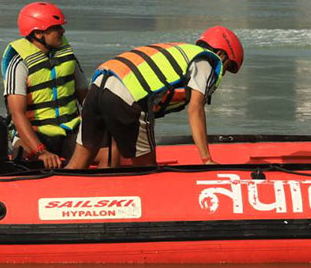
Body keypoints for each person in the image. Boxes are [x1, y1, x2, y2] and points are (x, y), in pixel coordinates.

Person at [64, 26, 244, 169]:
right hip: (127, 96)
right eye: (227, 67)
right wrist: (207, 159)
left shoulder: (179, 51)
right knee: (147, 169)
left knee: (78, 164)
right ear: (221, 55)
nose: (224, 74)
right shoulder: (205, 62)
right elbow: (195, 109)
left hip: (99, 85)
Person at [1, 2, 88, 169]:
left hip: (70, 131)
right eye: (56, 27)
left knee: (109, 152)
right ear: (39, 34)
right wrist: (41, 151)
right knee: (27, 157)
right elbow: (17, 113)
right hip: (35, 135)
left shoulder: (67, 57)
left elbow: (86, 97)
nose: (62, 31)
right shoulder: (18, 64)